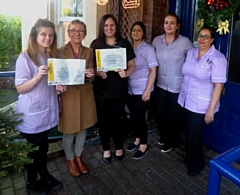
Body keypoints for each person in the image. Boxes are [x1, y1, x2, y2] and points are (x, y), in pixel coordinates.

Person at [15, 19, 64, 194]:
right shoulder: (25, 57)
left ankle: (44, 177)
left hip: (46, 110)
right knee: (33, 152)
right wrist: (37, 77)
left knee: (42, 149)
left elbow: (51, 83)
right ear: (35, 36)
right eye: (43, 34)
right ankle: (31, 183)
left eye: (51, 35)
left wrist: (60, 85)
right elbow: (20, 88)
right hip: (32, 114)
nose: (47, 38)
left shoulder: (50, 57)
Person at [178, 26, 227, 176]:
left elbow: (219, 86)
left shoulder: (217, 58)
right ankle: (190, 157)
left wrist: (211, 109)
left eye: (206, 37)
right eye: (200, 36)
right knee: (191, 133)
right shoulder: (192, 52)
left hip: (201, 104)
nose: (202, 39)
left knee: (193, 135)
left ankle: (196, 164)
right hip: (185, 100)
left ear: (212, 40)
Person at [90, 14, 135, 164]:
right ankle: (106, 149)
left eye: (112, 25)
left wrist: (126, 72)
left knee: (117, 122)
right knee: (103, 122)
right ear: (102, 27)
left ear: (116, 27)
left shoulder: (124, 44)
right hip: (101, 91)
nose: (109, 28)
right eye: (106, 25)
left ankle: (118, 147)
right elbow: (91, 67)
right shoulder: (96, 44)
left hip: (118, 90)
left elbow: (132, 64)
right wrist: (97, 72)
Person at [57, 19, 97, 176]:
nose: (77, 33)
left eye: (81, 31)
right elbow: (56, 74)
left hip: (85, 96)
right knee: (69, 131)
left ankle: (79, 157)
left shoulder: (89, 52)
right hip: (69, 97)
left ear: (85, 34)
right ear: (68, 33)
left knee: (82, 130)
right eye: (74, 30)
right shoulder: (60, 52)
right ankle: (70, 159)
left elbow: (92, 72)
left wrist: (92, 74)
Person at [152, 13, 194, 153]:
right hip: (160, 84)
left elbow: (194, 60)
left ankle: (172, 141)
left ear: (177, 26)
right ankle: (164, 137)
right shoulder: (157, 41)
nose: (168, 25)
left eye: (172, 23)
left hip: (177, 86)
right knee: (161, 114)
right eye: (166, 22)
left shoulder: (184, 42)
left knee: (174, 116)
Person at [126, 21, 158, 159]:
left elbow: (153, 70)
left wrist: (147, 90)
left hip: (143, 89)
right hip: (130, 89)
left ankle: (144, 145)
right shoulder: (129, 48)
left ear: (143, 33)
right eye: (134, 30)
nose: (136, 33)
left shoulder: (148, 49)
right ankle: (137, 139)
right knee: (134, 117)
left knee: (140, 117)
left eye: (139, 30)